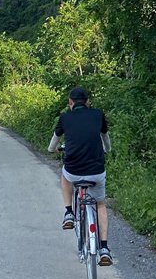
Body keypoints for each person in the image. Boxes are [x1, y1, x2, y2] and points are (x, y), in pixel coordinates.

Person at [48, 86, 113, 266]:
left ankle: (69, 212)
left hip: (74, 171)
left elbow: (53, 143)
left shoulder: (65, 117)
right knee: (100, 204)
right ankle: (105, 248)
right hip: (97, 171)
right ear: (87, 102)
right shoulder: (98, 115)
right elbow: (105, 139)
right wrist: (107, 150)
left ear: (70, 103)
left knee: (65, 175)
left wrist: (53, 150)